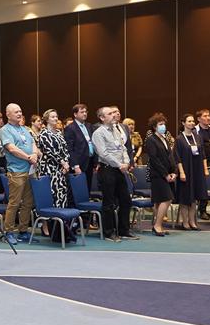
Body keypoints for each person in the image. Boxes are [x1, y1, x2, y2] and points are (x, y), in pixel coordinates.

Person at [92, 106, 137, 242]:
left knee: (125, 200)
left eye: (113, 112)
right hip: (107, 170)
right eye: (109, 113)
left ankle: (124, 230)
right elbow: (103, 153)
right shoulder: (98, 133)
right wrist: (119, 164)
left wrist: (126, 162)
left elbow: (123, 148)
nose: (113, 115)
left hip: (120, 169)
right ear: (102, 118)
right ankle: (109, 232)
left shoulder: (116, 130)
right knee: (109, 202)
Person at [0, 103, 38, 244]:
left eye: (20, 111)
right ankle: (8, 232)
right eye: (16, 112)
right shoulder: (5, 130)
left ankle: (23, 231)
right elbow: (11, 148)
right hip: (17, 171)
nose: (19, 114)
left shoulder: (24, 129)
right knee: (14, 203)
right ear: (8, 114)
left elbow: (33, 143)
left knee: (28, 203)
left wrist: (34, 154)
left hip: (30, 170)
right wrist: (28, 157)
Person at [144, 113, 177, 237]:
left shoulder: (164, 139)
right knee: (166, 199)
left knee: (159, 201)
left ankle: (158, 226)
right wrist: (165, 174)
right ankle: (157, 225)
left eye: (164, 124)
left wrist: (173, 172)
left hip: (168, 173)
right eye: (160, 124)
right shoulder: (151, 140)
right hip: (158, 175)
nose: (163, 126)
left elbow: (170, 157)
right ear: (154, 126)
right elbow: (154, 159)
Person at [174, 114, 207, 231]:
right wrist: (182, 172)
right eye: (189, 121)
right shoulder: (179, 139)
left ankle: (192, 222)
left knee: (194, 198)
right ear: (183, 123)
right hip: (186, 171)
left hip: (197, 171)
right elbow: (177, 158)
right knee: (185, 198)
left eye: (193, 121)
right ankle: (185, 222)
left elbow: (203, 155)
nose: (192, 123)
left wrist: (205, 169)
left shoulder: (198, 137)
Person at [37, 109, 74, 209]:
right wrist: (63, 163)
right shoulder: (43, 134)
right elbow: (50, 151)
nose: (56, 118)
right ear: (47, 119)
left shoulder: (58, 132)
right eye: (53, 117)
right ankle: (51, 217)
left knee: (62, 192)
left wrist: (66, 162)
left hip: (61, 169)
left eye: (56, 116)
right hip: (49, 168)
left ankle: (61, 216)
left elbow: (65, 149)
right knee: (52, 193)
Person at [63, 103, 96, 184]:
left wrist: (96, 162)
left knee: (88, 186)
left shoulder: (89, 126)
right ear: (75, 114)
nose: (84, 114)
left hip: (90, 162)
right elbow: (70, 149)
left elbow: (93, 143)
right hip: (79, 164)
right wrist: (75, 165)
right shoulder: (70, 128)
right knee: (79, 188)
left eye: (85, 112)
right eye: (82, 112)